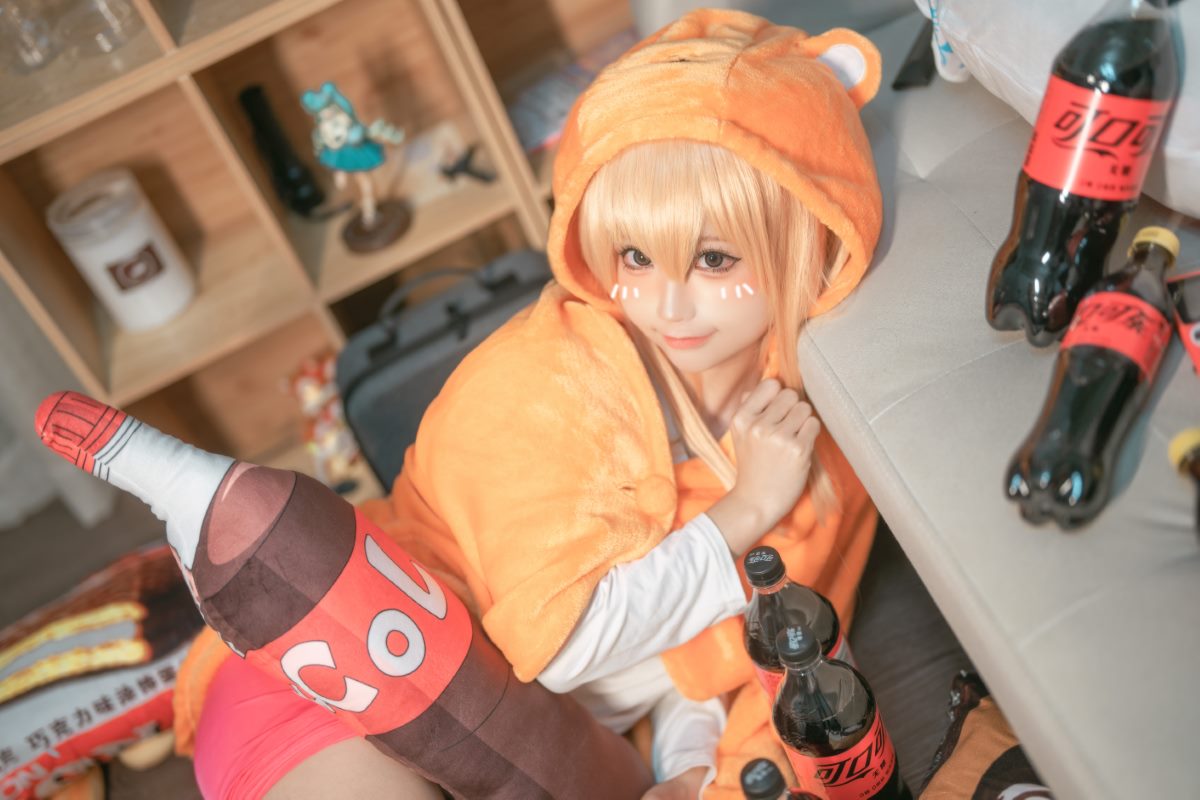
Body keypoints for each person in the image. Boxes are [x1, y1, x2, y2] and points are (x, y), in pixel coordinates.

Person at [177, 9, 884, 799]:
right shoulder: (542, 377)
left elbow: (716, 665)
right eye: (635, 256)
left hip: (527, 745)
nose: (667, 304)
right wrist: (744, 510)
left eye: (714, 260)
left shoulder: (806, 444)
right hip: (344, 658)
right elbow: (562, 646)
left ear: (802, 241)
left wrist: (692, 769)